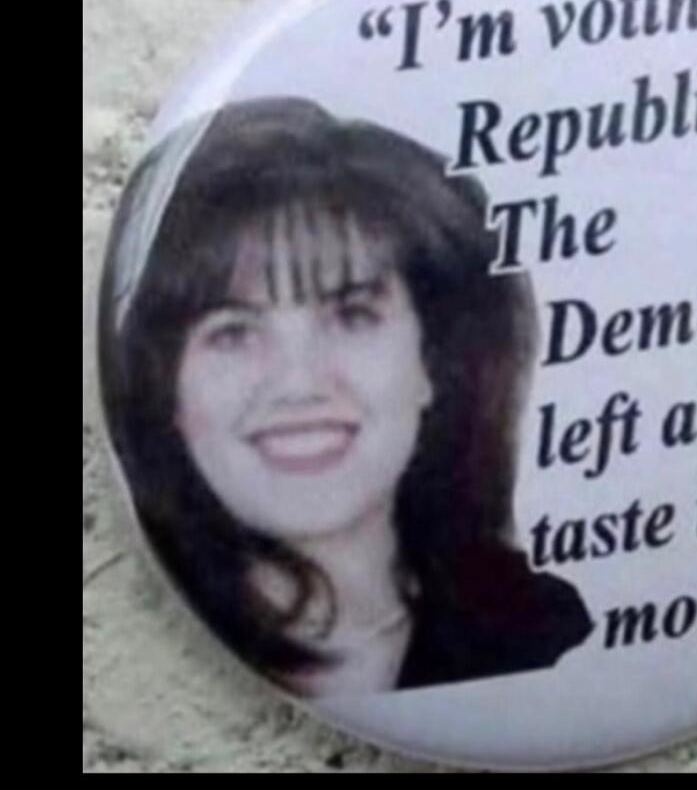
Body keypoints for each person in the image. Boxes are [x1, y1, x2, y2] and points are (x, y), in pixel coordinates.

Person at [97, 98, 592, 701]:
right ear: (164, 384)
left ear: (434, 360)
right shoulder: (125, 657)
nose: (298, 383)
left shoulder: (541, 639)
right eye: (232, 331)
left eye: (352, 315)